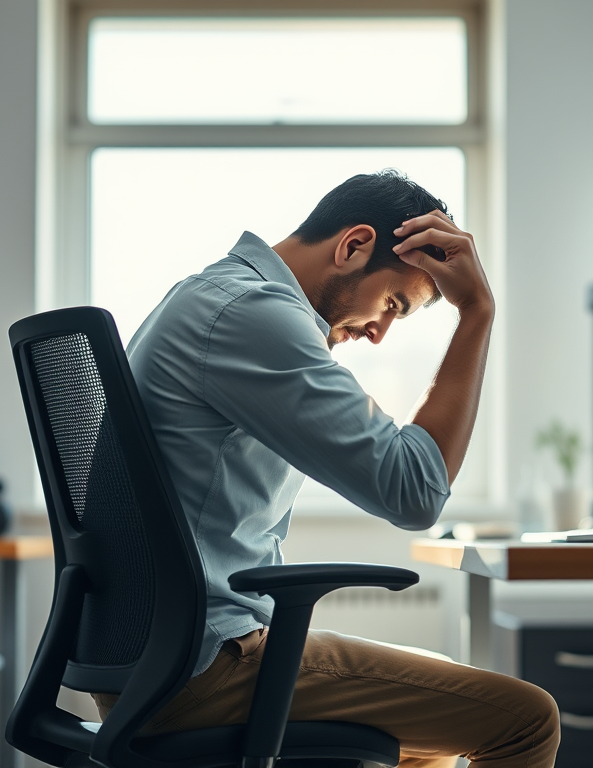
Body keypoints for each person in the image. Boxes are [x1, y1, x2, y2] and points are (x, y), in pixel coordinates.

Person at [93, 170, 560, 768]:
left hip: (159, 660)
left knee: (433, 723)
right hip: (199, 672)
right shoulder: (251, 313)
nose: (378, 333)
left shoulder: (214, 295)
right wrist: (476, 312)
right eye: (392, 304)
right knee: (525, 720)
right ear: (353, 246)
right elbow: (414, 491)